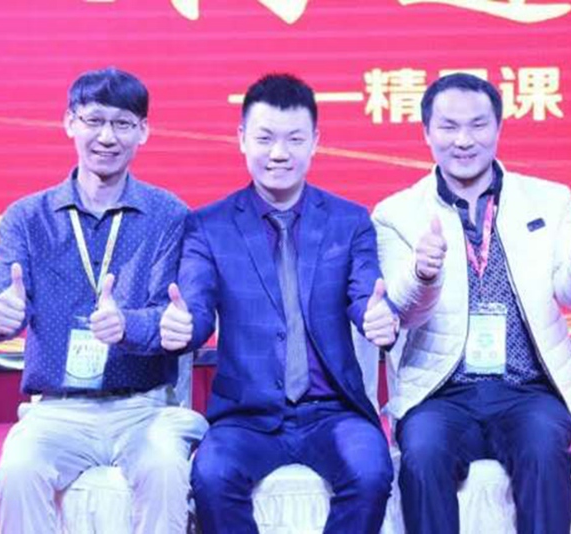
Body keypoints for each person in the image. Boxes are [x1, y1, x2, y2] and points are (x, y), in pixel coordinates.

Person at [371, 73, 571, 534]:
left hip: (528, 389)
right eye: (448, 126)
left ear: (499, 128)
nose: (464, 140)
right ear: (426, 132)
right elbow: (405, 310)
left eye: (478, 125)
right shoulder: (396, 213)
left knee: (543, 447)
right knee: (422, 453)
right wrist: (422, 275)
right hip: (440, 393)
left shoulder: (548, 200)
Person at [0, 67, 208, 534]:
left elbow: (172, 312)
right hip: (58, 410)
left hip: (144, 408)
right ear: (69, 123)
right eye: (94, 120)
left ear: (143, 131)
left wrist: (128, 326)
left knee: (165, 467)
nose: (107, 136)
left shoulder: (169, 215)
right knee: (18, 471)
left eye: (122, 124)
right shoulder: (28, 217)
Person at [160, 73, 396, 534]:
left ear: (316, 142)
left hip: (332, 411)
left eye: (295, 139)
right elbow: (196, 309)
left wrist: (376, 317)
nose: (279, 153)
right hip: (245, 416)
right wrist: (183, 327)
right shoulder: (209, 225)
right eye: (265, 138)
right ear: (242, 139)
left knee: (370, 471)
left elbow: (365, 295)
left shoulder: (349, 221)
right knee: (211, 477)